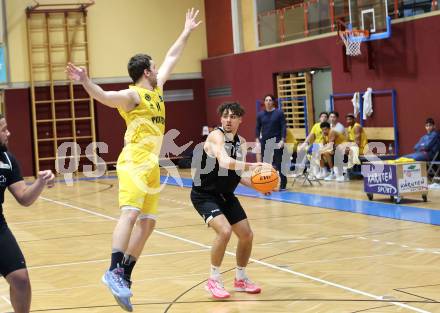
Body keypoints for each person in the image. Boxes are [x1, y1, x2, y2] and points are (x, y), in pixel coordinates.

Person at [66, 8, 201, 311]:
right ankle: (112, 269)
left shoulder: (157, 89)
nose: (158, 68)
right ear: (146, 72)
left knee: (149, 223)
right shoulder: (133, 96)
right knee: (129, 213)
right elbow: (103, 96)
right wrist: (86, 81)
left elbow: (172, 57)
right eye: (154, 67)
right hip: (134, 160)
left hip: (152, 163)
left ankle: (125, 274)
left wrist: (187, 30)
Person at [191, 102, 273, 299]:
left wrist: (260, 186)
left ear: (240, 119)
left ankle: (241, 278)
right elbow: (225, 161)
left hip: (226, 195)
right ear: (221, 118)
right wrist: (254, 165)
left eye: (233, 116)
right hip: (205, 195)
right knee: (225, 231)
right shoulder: (216, 136)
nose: (229, 120)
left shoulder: (241, 142)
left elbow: (236, 174)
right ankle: (213, 280)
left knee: (246, 235)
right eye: (225, 116)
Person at [0, 114, 55, 313]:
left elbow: (24, 197)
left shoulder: (7, 160)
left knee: (21, 279)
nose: (8, 133)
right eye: (3, 129)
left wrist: (40, 182)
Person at [255, 94, 287, 190]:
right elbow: (257, 128)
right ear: (264, 102)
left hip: (277, 140)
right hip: (265, 141)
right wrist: (257, 140)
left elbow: (283, 127)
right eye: (266, 100)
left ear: (273, 102)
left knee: (279, 163)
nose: (268, 102)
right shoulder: (260, 115)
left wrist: (282, 140)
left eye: (270, 100)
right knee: (266, 164)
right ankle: (267, 183)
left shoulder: (279, 113)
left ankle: (283, 183)